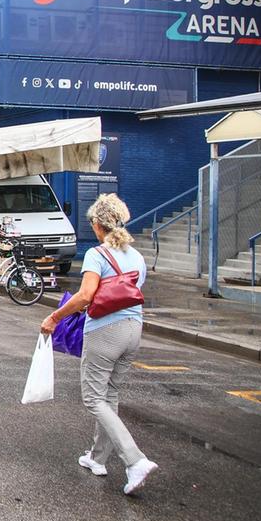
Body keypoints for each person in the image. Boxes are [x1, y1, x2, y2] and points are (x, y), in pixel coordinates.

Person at [40, 193, 157, 495]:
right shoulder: (137, 256)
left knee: (93, 398)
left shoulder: (97, 254)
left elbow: (85, 296)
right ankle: (98, 458)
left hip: (105, 331)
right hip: (134, 330)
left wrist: (55, 317)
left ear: (97, 224)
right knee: (110, 395)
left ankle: (135, 460)